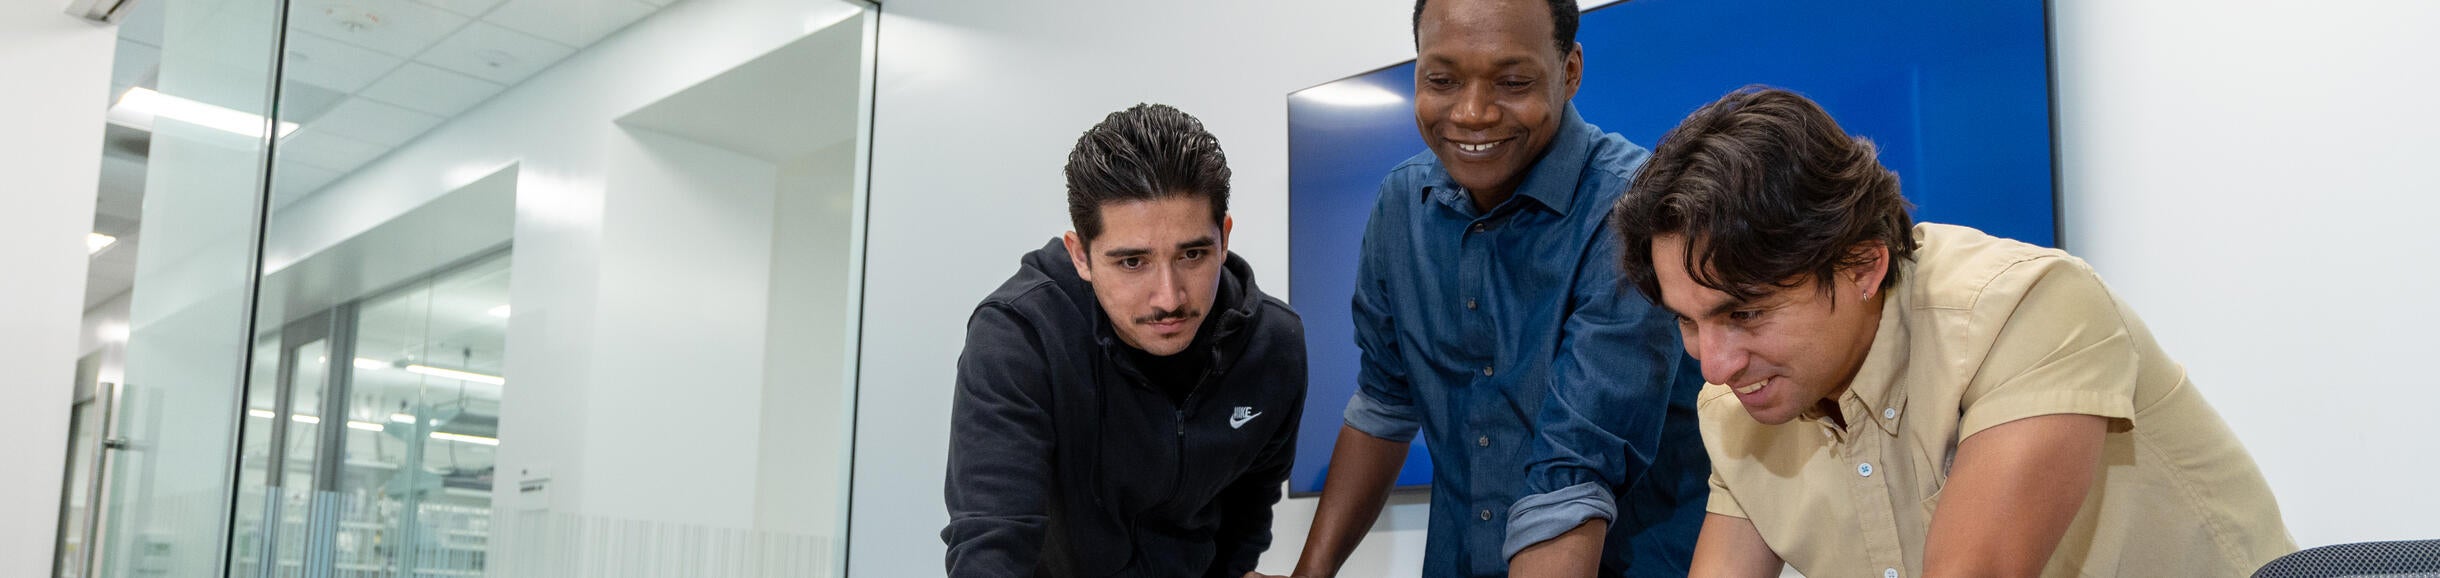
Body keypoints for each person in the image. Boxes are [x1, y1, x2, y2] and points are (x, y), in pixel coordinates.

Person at [1608, 86, 2295, 577]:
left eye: (1745, 312)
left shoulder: (2026, 309)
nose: (1717, 364)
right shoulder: (1736, 405)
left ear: (1862, 266)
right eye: (1688, 322)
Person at [1279, 0, 1710, 576]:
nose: (1472, 112)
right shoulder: (1400, 206)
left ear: (1571, 71)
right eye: (1441, 79)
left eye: (1512, 81)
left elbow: (1574, 473)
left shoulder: (1631, 210)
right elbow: (1385, 402)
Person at [941, 103, 1308, 577]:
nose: (1169, 298)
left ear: (1224, 238)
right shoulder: (1020, 336)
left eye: (1193, 254)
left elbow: (1248, 515)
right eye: (1132, 262)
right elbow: (991, 545)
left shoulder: (1273, 346)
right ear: (1081, 257)